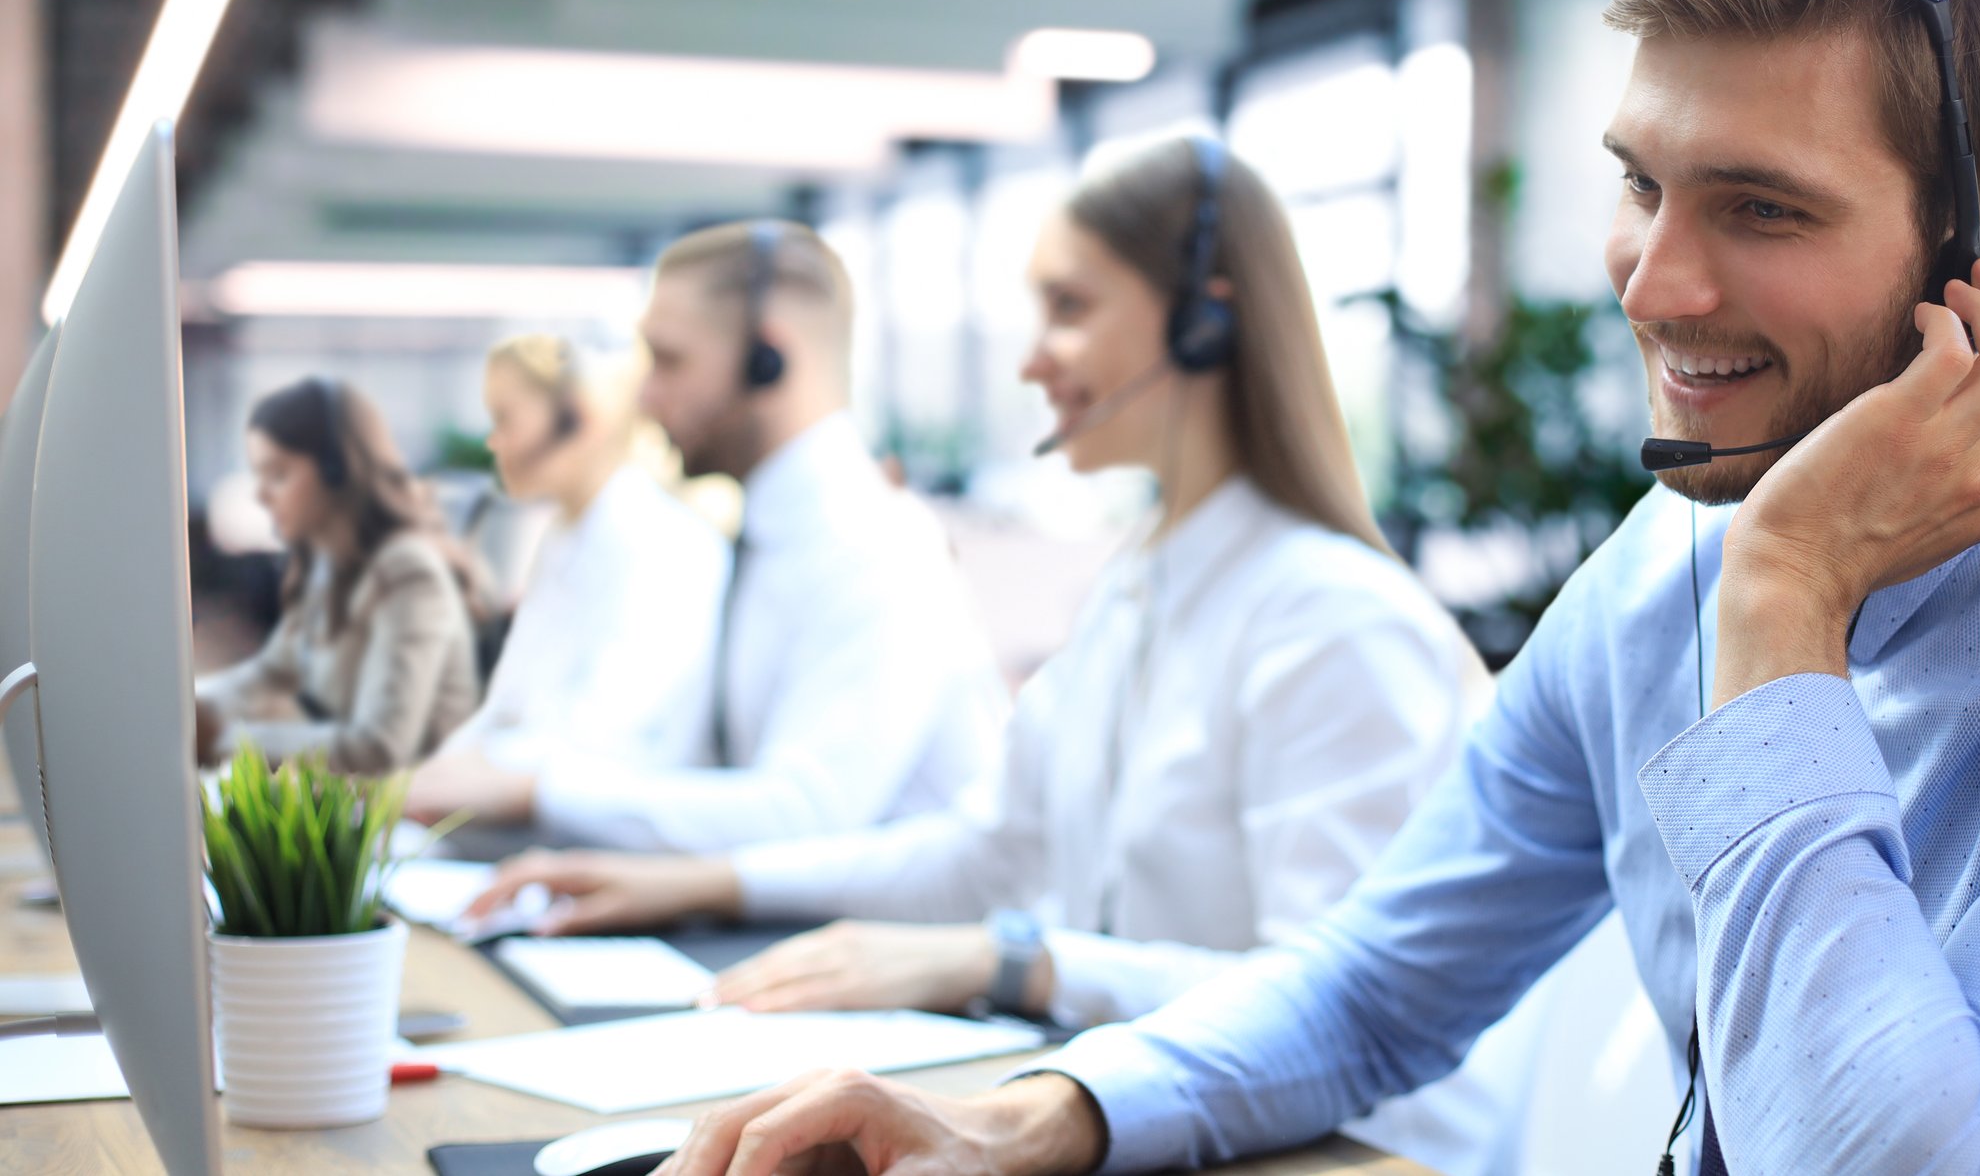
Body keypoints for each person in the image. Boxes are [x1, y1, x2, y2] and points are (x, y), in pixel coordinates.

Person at [647, 0, 1980, 1176]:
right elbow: (1375, 989)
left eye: (1761, 207)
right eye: (1642, 184)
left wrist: (1783, 600)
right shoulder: (1665, 569)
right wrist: (1033, 1118)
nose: (1659, 280)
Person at [473, 138, 1531, 1174]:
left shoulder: (1337, 620)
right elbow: (985, 852)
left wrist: (1013, 957)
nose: (1030, 359)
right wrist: (694, 881)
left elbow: (1327, 1008)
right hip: (1159, 1125)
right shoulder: (1137, 589)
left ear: (1205, 320)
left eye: (1069, 308)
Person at [423, 220, 1007, 853]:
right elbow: (690, 774)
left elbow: (806, 815)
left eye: (669, 361)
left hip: (890, 939)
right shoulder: (762, 540)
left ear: (768, 361)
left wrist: (536, 789)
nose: (644, 399)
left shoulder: (875, 546)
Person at [403, 335, 729, 823]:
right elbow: (507, 712)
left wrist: (434, 783)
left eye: (506, 420)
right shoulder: (562, 539)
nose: (496, 443)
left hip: (611, 837)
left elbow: (611, 744)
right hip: (537, 824)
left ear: (579, 416)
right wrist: (417, 777)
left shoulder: (666, 545)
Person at [195, 377, 482, 775]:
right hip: (364, 808)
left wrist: (226, 743)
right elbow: (273, 671)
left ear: (336, 470)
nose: (261, 495)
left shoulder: (408, 573)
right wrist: (196, 706)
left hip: (424, 815)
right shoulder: (329, 569)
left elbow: (378, 747)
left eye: (278, 474)